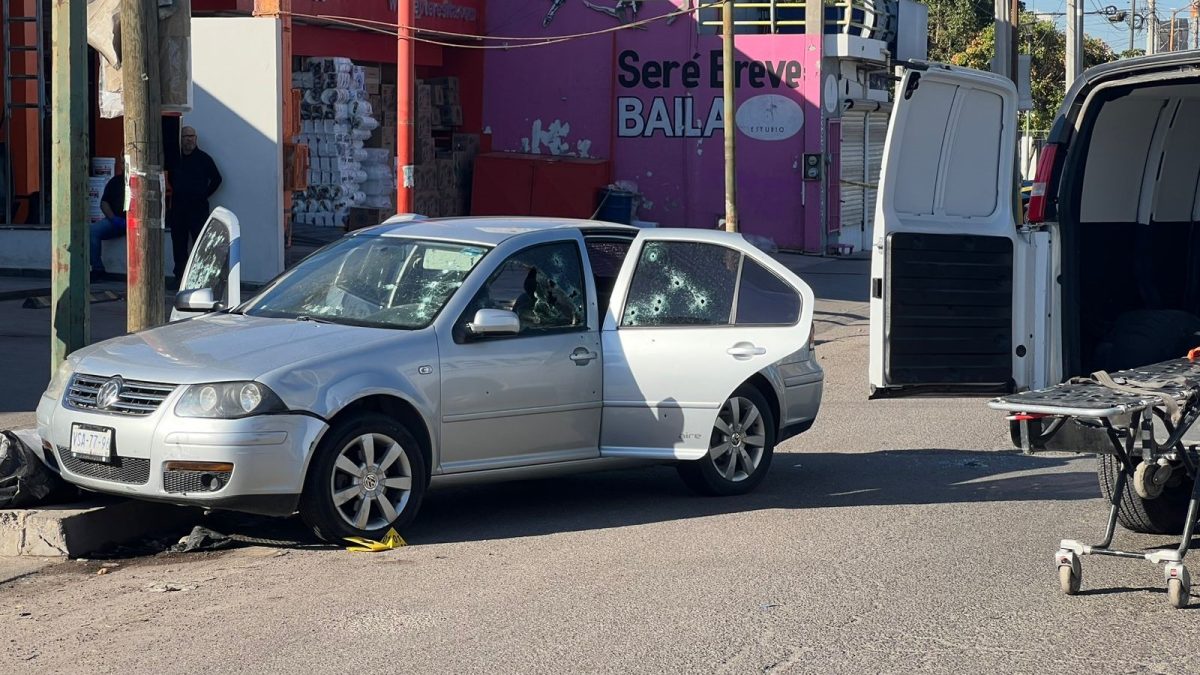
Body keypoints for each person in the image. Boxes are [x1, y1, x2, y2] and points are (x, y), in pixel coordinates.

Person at [167, 126, 222, 287]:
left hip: (198, 210)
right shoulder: (176, 160)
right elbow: (170, 178)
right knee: (179, 245)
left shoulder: (204, 159)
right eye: (185, 136)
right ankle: (179, 279)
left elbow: (217, 179)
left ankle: (199, 279)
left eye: (191, 136)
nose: (189, 139)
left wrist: (203, 195)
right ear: (181, 139)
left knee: (200, 245)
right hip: (178, 209)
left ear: (196, 138)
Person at [89, 172, 125, 283]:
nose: (125, 165)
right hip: (117, 221)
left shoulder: (141, 180)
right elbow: (104, 203)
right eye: (123, 162)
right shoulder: (115, 181)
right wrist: (113, 219)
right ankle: (97, 269)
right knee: (92, 231)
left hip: (139, 222)